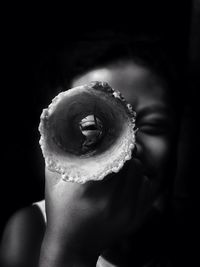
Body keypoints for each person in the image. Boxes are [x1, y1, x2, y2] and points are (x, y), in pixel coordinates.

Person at [0, 31, 185, 267]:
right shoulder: (30, 229)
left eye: (153, 125)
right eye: (92, 124)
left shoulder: (184, 241)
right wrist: (71, 248)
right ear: (57, 134)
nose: (129, 149)